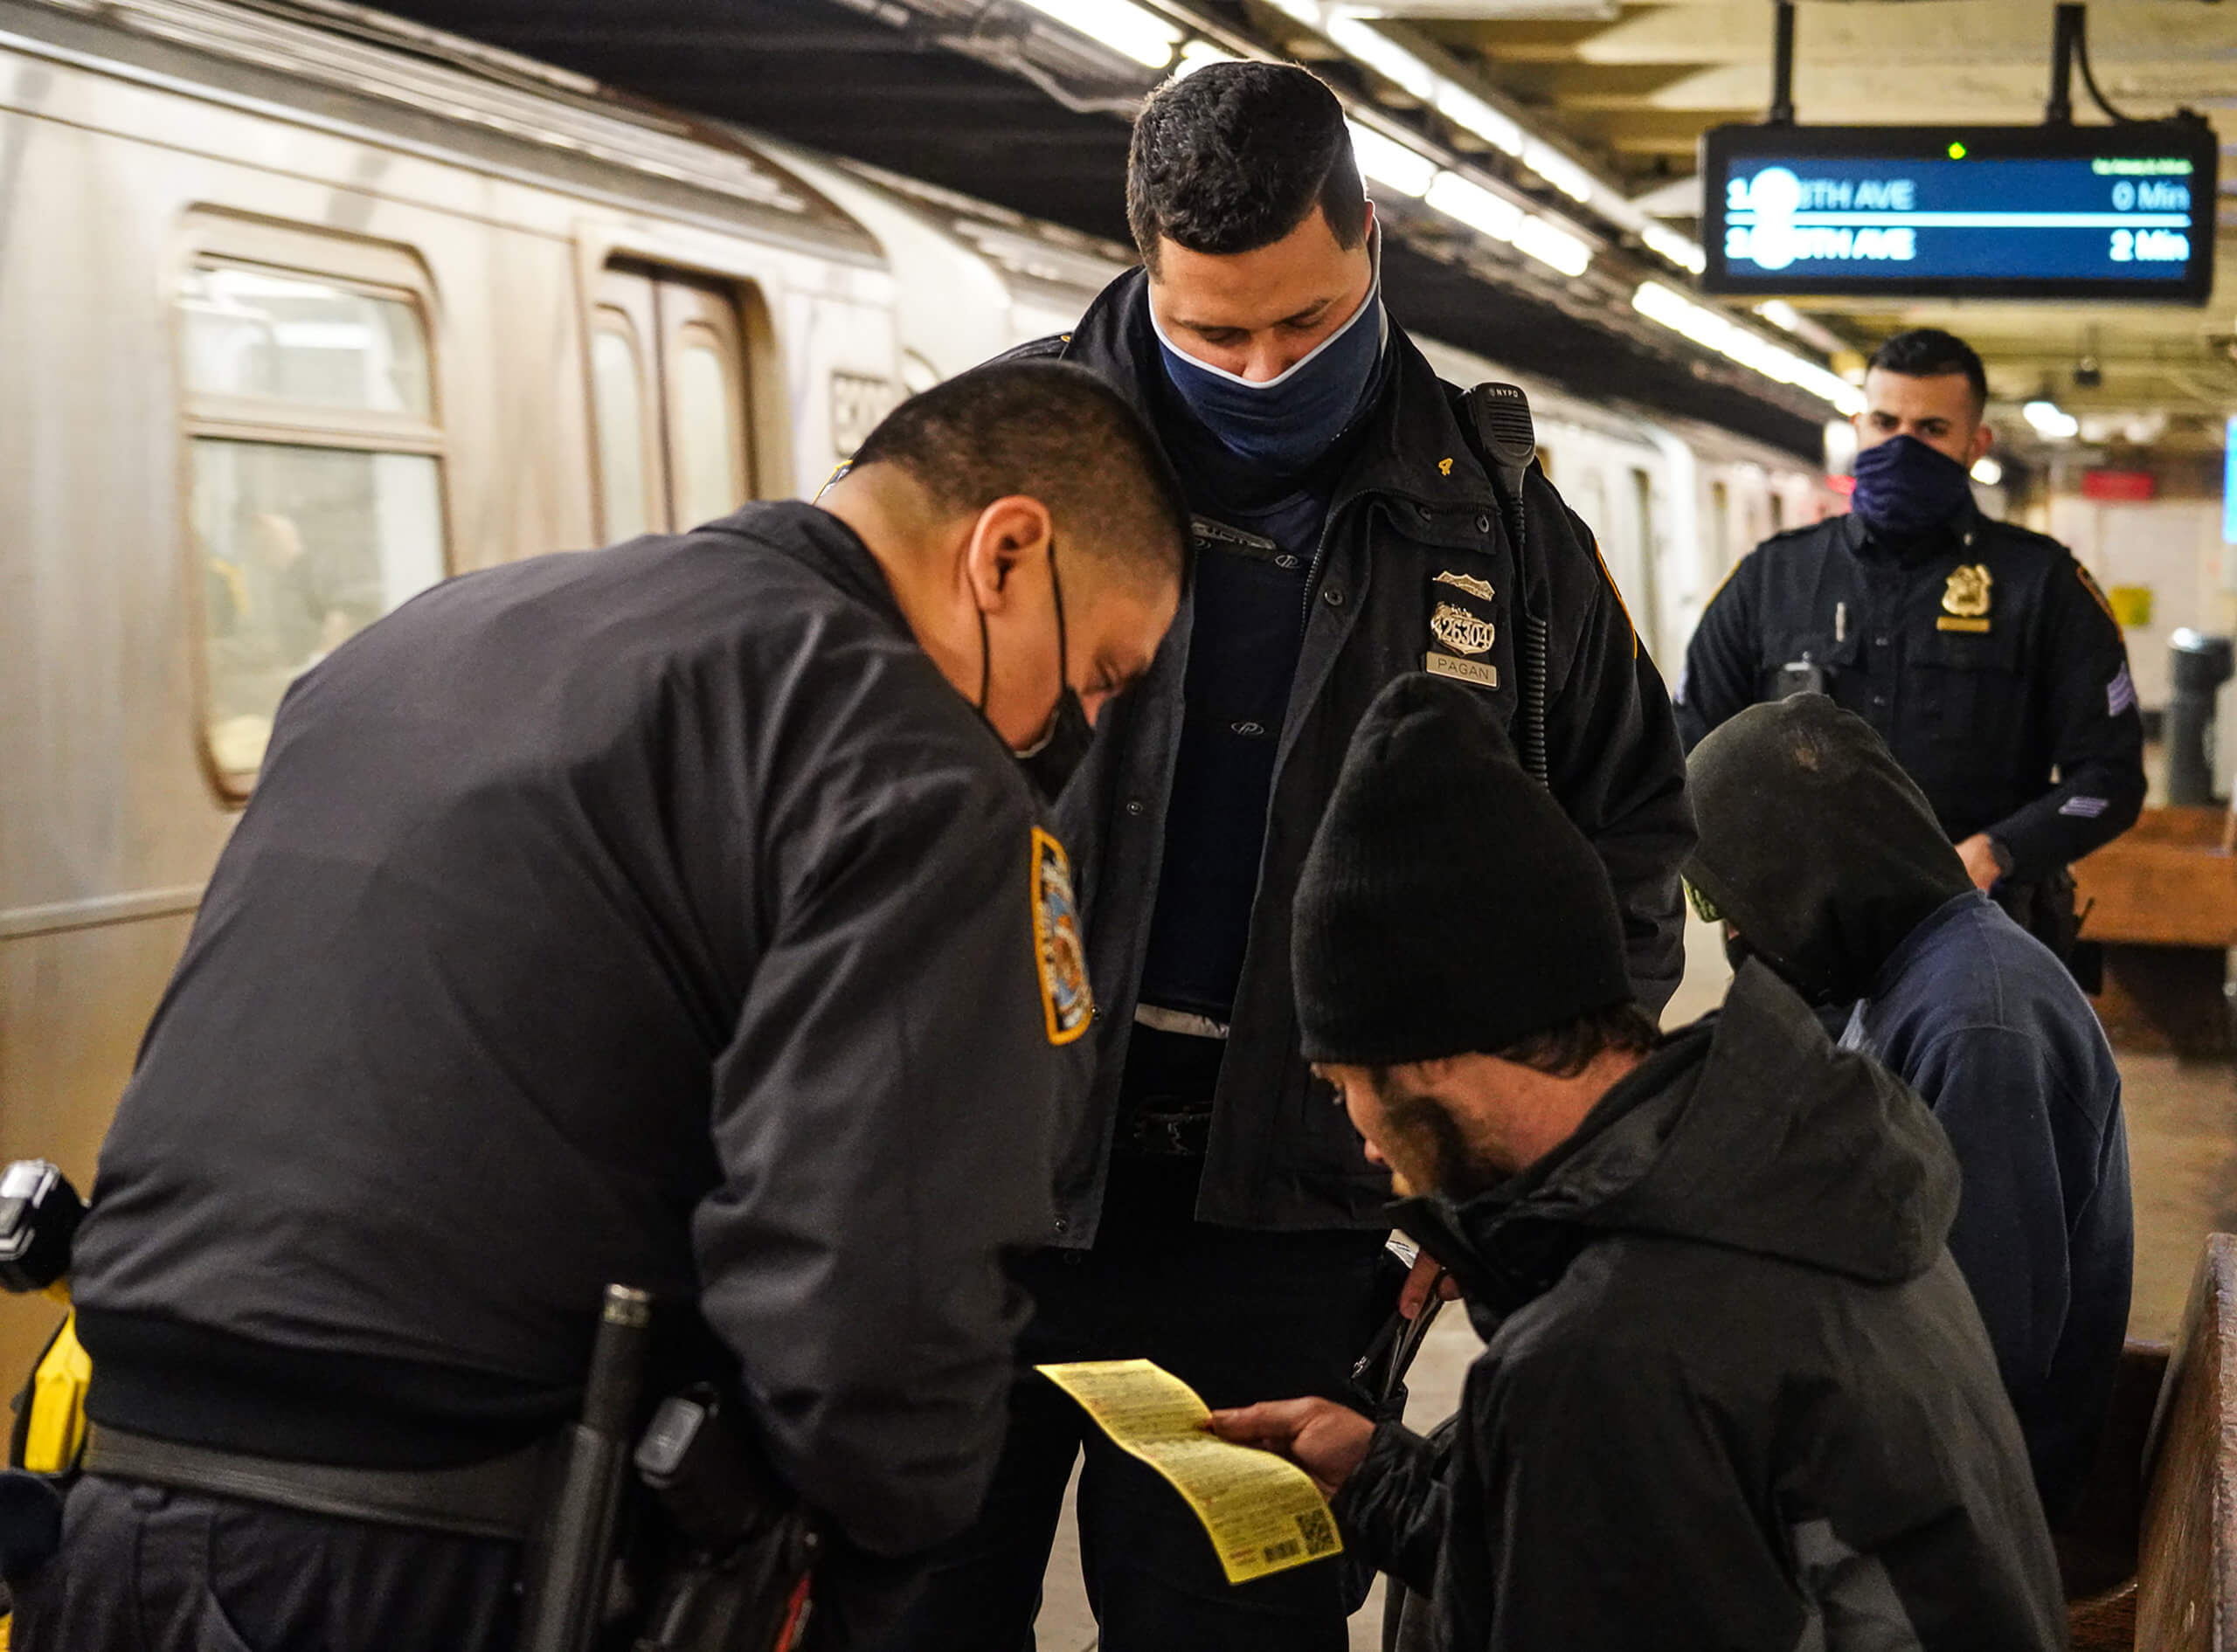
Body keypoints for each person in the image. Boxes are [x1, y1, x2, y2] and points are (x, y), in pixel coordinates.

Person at [15, 361, 1188, 1652]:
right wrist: (863, 1573)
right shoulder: (912, 764)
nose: (1073, 729)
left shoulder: (420, 636)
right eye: (1097, 676)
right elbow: (882, 1283)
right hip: (450, 1556)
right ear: (1006, 554)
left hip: (110, 1516)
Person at [890, 61, 1692, 1652]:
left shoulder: (1500, 526)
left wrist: (1498, 1171)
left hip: (1296, 1222)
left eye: (1308, 324)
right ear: (1142, 269)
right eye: (1213, 334)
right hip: (978, 1192)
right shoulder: (986, 458)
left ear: (1370, 238)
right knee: (909, 1614)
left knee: (1233, 1628)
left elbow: (1626, 849)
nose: (1262, 369)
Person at [1207, 672, 2066, 1652]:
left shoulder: (1607, 1351)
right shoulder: (1795, 1168)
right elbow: (1665, 1562)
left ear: (1428, 1057)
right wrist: (1382, 1482)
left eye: (1344, 1085)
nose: (1362, 1141)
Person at [1685, 693, 2133, 1523]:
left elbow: (1970, 1363)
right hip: (1915, 1456)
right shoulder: (1911, 973)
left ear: (1812, 869)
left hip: (1960, 1515)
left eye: (1738, 905)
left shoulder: (1979, 1026)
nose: (1739, 937)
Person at [1674, 326, 2144, 968]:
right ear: (1858, 425)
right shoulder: (1771, 578)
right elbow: (1689, 745)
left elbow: (2111, 779)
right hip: (1794, 946)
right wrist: (1734, 872)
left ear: (1976, 444)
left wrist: (1997, 852)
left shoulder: (2045, 586)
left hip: (1980, 943)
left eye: (1931, 429)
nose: (1901, 445)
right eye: (1885, 422)